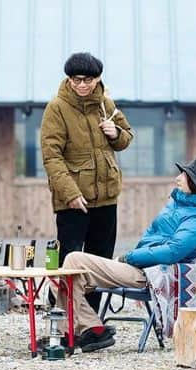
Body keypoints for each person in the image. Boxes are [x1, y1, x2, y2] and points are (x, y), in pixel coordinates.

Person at [55, 152, 196, 352]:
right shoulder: (179, 206)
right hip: (142, 265)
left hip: (151, 273)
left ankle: (76, 333)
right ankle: (86, 331)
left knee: (74, 260)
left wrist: (130, 257)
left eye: (184, 176)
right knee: (67, 275)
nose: (177, 178)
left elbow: (172, 252)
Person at [41, 51, 133, 312]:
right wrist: (70, 193)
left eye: (88, 80)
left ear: (98, 79)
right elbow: (51, 157)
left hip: (107, 198)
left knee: (100, 262)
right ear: (68, 79)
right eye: (76, 79)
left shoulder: (106, 104)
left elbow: (127, 136)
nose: (82, 85)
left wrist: (116, 134)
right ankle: (64, 316)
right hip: (73, 201)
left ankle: (91, 321)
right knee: (69, 261)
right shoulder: (56, 108)